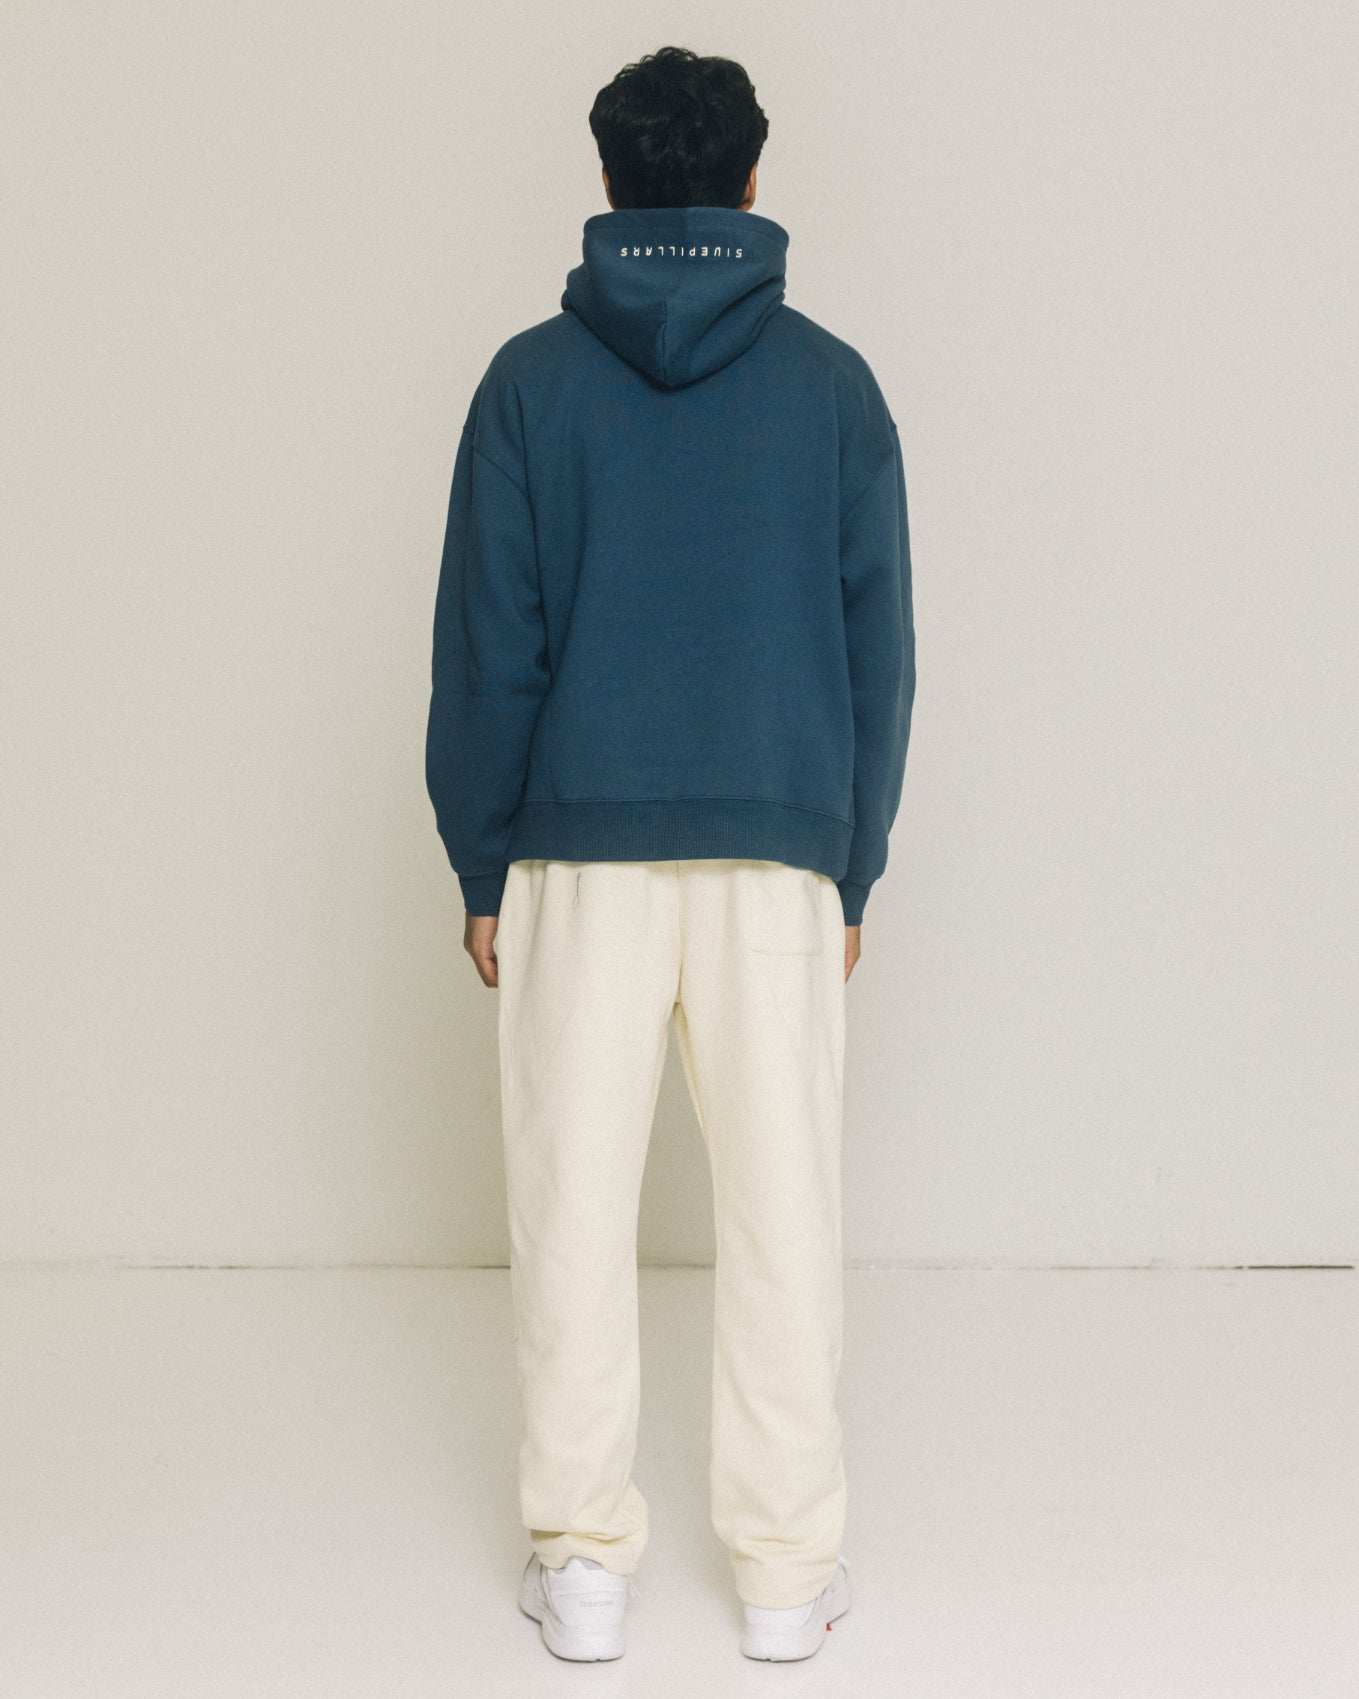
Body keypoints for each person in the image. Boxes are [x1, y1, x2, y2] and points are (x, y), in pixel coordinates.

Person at [425, 43, 915, 1664]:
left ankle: (583, 1567)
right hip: (777, 853)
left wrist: (484, 865)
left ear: (609, 185)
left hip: (577, 855)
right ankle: (782, 1577)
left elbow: (487, 650)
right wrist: (850, 863)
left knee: (571, 1209)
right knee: (785, 1215)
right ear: (753, 182)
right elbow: (881, 655)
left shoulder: (526, 385)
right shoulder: (833, 388)